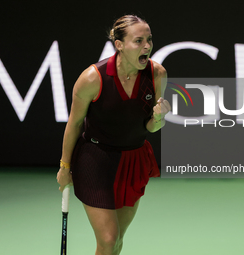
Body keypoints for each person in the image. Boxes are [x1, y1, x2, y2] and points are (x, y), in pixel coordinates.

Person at [57, 15, 171, 255]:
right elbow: (75, 123)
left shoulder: (157, 74)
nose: (147, 46)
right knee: (108, 240)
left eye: (149, 40)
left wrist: (159, 118)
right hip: (95, 161)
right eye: (138, 41)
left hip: (134, 160)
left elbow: (150, 127)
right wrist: (65, 166)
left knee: (117, 242)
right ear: (119, 45)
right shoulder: (92, 78)